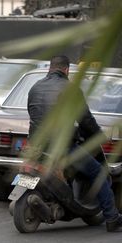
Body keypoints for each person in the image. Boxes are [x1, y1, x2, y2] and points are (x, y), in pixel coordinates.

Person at [27, 55, 122, 232]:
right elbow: (85, 119)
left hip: (37, 146)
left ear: (50, 68)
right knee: (98, 172)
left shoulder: (35, 87)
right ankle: (112, 217)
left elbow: (34, 115)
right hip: (62, 147)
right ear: (66, 70)